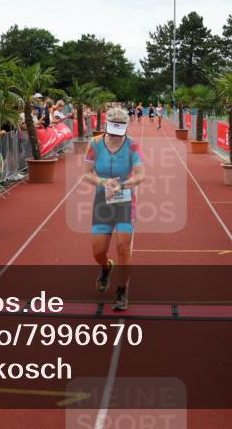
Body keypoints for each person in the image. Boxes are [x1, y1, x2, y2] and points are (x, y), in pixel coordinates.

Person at [83, 107, 146, 311]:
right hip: (102, 201)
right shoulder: (95, 144)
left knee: (123, 247)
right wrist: (103, 182)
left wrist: (122, 185)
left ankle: (121, 289)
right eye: (112, 132)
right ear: (106, 127)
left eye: (120, 133)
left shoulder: (132, 145)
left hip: (125, 200)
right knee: (98, 251)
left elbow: (140, 175)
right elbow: (87, 173)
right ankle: (106, 267)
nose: (116, 137)